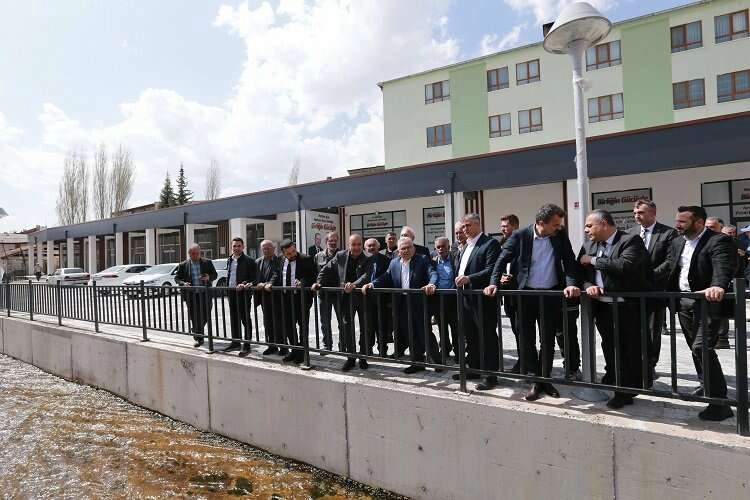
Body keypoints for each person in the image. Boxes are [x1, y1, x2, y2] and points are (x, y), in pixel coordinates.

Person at [485, 204, 580, 400]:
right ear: (540, 223)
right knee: (526, 340)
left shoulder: (560, 235)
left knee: (548, 340)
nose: (558, 227)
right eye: (555, 224)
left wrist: (571, 284)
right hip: (525, 296)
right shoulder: (520, 236)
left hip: (550, 295)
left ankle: (545, 379)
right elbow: (501, 260)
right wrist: (494, 282)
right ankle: (537, 380)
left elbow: (570, 261)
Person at [665, 206, 735, 421]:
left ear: (699, 223)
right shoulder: (678, 241)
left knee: (701, 348)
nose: (677, 225)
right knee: (695, 350)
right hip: (684, 303)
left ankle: (720, 403)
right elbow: (669, 266)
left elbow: (723, 266)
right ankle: (707, 386)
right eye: (677, 220)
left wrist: (718, 285)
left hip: (707, 303)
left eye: (682, 222)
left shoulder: (718, 241)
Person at [578, 209, 652, 409]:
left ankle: (625, 392)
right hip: (602, 307)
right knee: (610, 346)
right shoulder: (589, 245)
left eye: (589, 225)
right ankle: (614, 379)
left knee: (628, 350)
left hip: (627, 307)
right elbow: (580, 274)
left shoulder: (630, 241)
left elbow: (624, 266)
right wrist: (589, 286)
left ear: (603, 224)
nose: (586, 230)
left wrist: (593, 260)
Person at [362, 237, 441, 374]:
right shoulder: (393, 263)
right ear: (398, 251)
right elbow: (386, 276)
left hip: (418, 302)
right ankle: (417, 363)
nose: (406, 250)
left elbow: (432, 273)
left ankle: (437, 361)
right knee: (409, 333)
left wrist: (431, 284)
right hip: (401, 303)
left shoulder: (422, 259)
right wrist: (372, 284)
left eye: (409, 247)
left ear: (413, 248)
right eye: (403, 248)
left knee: (424, 332)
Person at [451, 213, 501, 390]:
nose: (465, 229)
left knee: (487, 336)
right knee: (470, 336)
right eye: (463, 226)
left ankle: (490, 375)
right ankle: (474, 368)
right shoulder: (466, 245)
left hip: (482, 299)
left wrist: (469, 278)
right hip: (466, 298)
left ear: (478, 225)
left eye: (468, 225)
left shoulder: (490, 243)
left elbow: (491, 269)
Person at [629, 198, 677, 380]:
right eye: (635, 213)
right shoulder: (630, 233)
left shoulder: (668, 233)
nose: (636, 216)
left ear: (653, 214)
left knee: (652, 331)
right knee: (633, 330)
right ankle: (636, 362)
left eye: (640, 212)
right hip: (632, 291)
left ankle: (650, 364)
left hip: (655, 290)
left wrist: (649, 277)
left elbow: (670, 262)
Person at [312, 234, 371, 371]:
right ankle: (350, 358)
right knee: (347, 328)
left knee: (365, 329)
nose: (356, 247)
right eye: (353, 244)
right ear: (348, 245)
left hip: (363, 298)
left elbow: (367, 275)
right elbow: (326, 269)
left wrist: (354, 284)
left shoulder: (368, 257)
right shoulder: (340, 255)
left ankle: (363, 357)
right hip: (346, 299)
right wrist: (318, 283)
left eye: (359, 244)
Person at [266, 240, 317, 364]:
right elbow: (277, 273)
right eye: (288, 253)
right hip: (285, 299)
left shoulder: (306, 259)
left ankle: (302, 353)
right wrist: (271, 283)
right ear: (283, 253)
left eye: (293, 251)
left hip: (301, 299)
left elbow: (313, 276)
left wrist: (303, 282)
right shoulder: (280, 259)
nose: (292, 254)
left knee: (303, 326)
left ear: (295, 247)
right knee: (288, 326)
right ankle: (294, 350)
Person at [175, 244, 218, 348]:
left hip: (205, 294)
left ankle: (196, 329)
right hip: (191, 295)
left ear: (200, 252)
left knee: (206, 314)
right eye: (193, 253)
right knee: (194, 317)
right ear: (189, 253)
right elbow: (177, 278)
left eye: (197, 253)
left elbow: (215, 275)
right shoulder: (183, 265)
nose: (195, 255)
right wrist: (183, 283)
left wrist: (208, 277)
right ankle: (199, 338)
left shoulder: (207, 262)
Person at [424, 236, 459, 358]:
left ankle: (458, 352)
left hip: (453, 298)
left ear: (448, 246)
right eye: (438, 247)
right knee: (442, 327)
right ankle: (444, 349)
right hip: (438, 299)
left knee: (455, 327)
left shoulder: (455, 259)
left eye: (443, 246)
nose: (440, 249)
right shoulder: (433, 261)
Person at [224, 237, 258, 357]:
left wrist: (244, 284)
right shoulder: (229, 260)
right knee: (234, 318)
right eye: (234, 246)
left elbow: (254, 278)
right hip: (231, 293)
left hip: (243, 294)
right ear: (231, 247)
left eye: (239, 246)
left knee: (245, 318)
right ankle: (236, 342)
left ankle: (247, 344)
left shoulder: (249, 261)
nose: (236, 248)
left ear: (243, 247)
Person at [496, 214, 521, 373]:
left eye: (505, 226)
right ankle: (522, 359)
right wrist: (500, 278)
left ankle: (525, 361)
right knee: (515, 328)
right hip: (508, 295)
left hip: (520, 293)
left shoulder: (523, 242)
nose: (502, 229)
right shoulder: (501, 244)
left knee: (522, 329)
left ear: (515, 226)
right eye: (502, 226)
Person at [364, 238, 392, 356]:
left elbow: (388, 278)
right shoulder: (363, 260)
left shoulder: (386, 260)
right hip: (366, 299)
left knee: (382, 326)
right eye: (369, 246)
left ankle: (382, 350)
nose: (371, 248)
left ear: (378, 246)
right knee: (368, 326)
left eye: (373, 245)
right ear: (365, 248)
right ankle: (368, 349)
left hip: (382, 298)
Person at [255, 240, 282, 355]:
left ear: (274, 249)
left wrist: (267, 284)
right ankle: (271, 346)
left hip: (277, 296)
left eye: (268, 248)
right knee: (268, 322)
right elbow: (255, 277)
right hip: (263, 297)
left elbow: (278, 275)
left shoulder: (279, 260)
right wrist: (257, 284)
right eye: (264, 249)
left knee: (279, 323)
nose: (266, 251)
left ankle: (283, 347)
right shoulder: (258, 261)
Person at [314, 232, 339, 351]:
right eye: (330, 241)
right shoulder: (318, 256)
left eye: (335, 240)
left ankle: (343, 346)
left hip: (339, 293)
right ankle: (327, 345)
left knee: (342, 321)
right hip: (323, 294)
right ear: (326, 242)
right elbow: (315, 273)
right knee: (324, 321)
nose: (333, 243)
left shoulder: (342, 254)